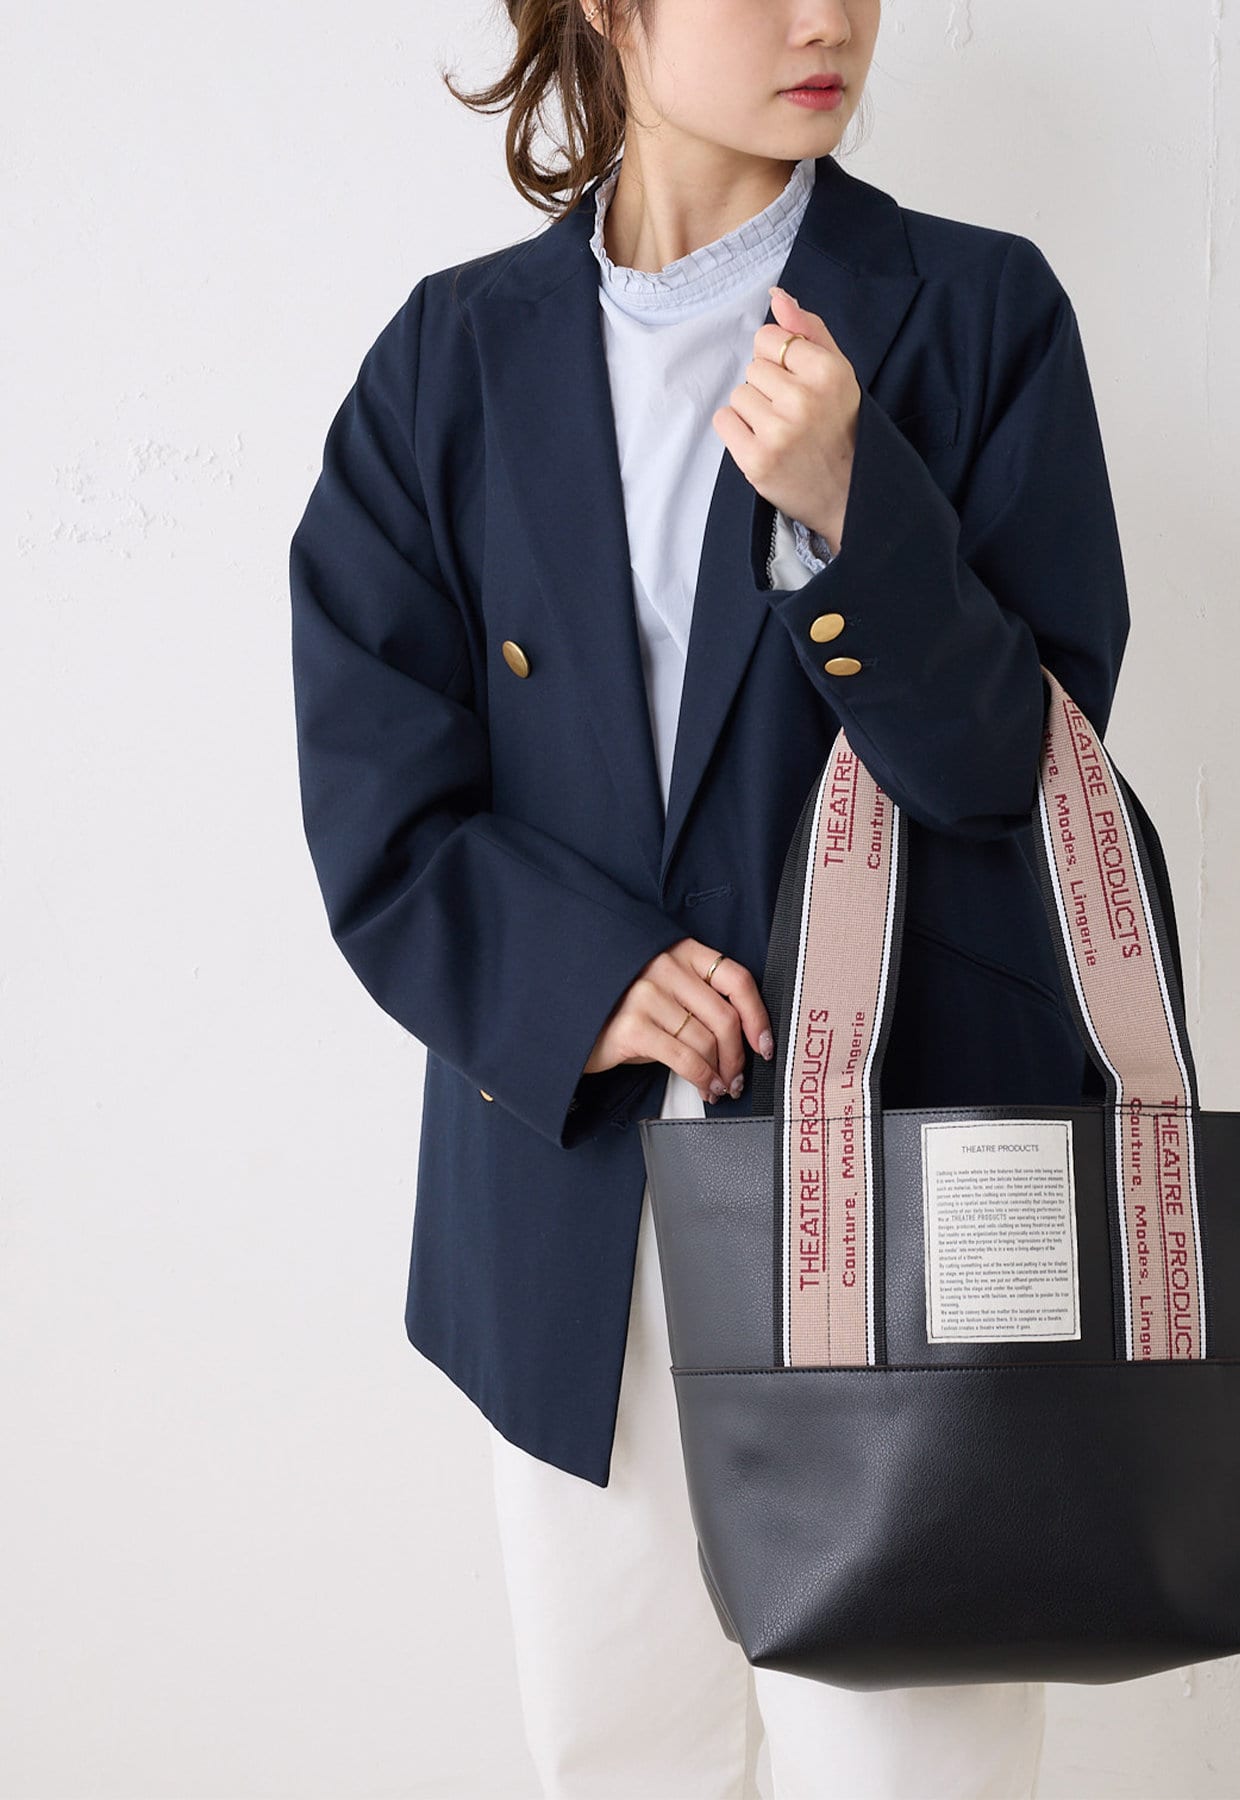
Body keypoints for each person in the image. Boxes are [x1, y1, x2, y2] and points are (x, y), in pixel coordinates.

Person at [289, 1, 1131, 1793]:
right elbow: (377, 786)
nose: (830, 21)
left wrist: (853, 512)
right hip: (570, 1224)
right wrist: (580, 979)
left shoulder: (978, 315)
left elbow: (1023, 775)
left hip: (902, 1219)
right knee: (624, 1766)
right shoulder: (451, 360)